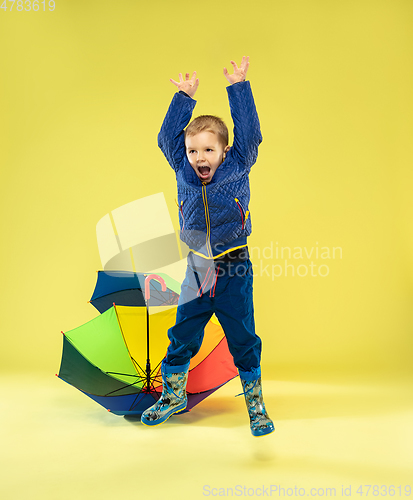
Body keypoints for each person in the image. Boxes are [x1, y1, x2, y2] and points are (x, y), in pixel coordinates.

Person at [141, 57, 274, 437]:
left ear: (224, 151)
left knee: (244, 339)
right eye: (193, 151)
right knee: (182, 334)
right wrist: (183, 99)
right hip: (197, 269)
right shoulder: (182, 168)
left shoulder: (238, 164)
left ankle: (256, 406)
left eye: (208, 151)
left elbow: (250, 134)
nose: (200, 158)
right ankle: (173, 395)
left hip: (234, 268)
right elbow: (166, 139)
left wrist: (239, 87)